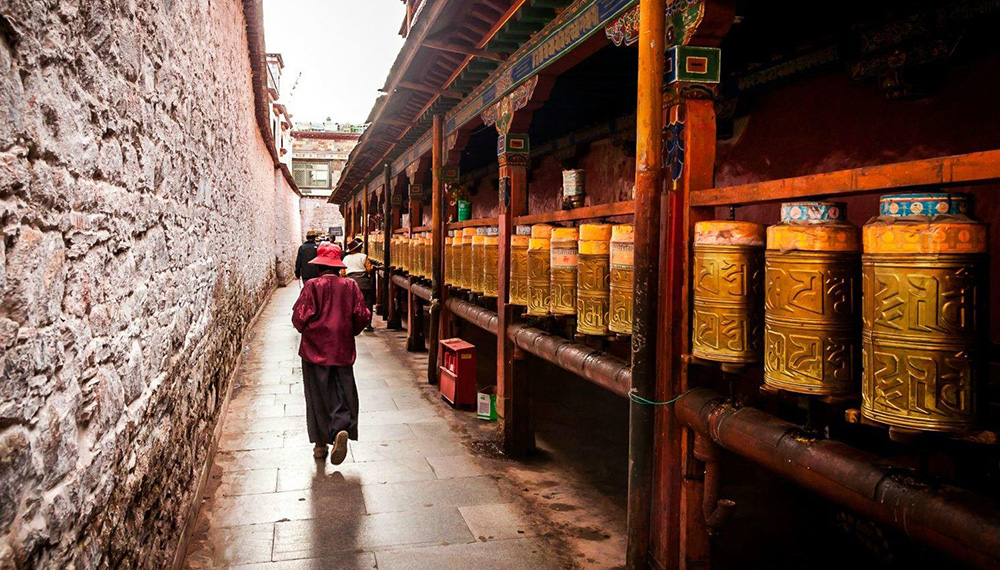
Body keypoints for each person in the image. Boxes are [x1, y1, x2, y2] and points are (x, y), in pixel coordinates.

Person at [291, 243, 371, 465]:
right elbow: (362, 316)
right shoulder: (351, 286)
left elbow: (299, 318)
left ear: (319, 267)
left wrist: (310, 331)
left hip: (314, 350)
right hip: (342, 349)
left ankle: (319, 445)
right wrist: (348, 332)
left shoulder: (312, 286)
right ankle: (339, 429)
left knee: (317, 395)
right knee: (342, 390)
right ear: (338, 267)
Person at [342, 237, 375, 332]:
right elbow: (369, 269)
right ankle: (367, 324)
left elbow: (342, 273)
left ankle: (352, 322)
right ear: (359, 248)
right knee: (367, 303)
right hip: (363, 283)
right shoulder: (363, 257)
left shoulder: (346, 258)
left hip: (350, 283)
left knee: (351, 303)